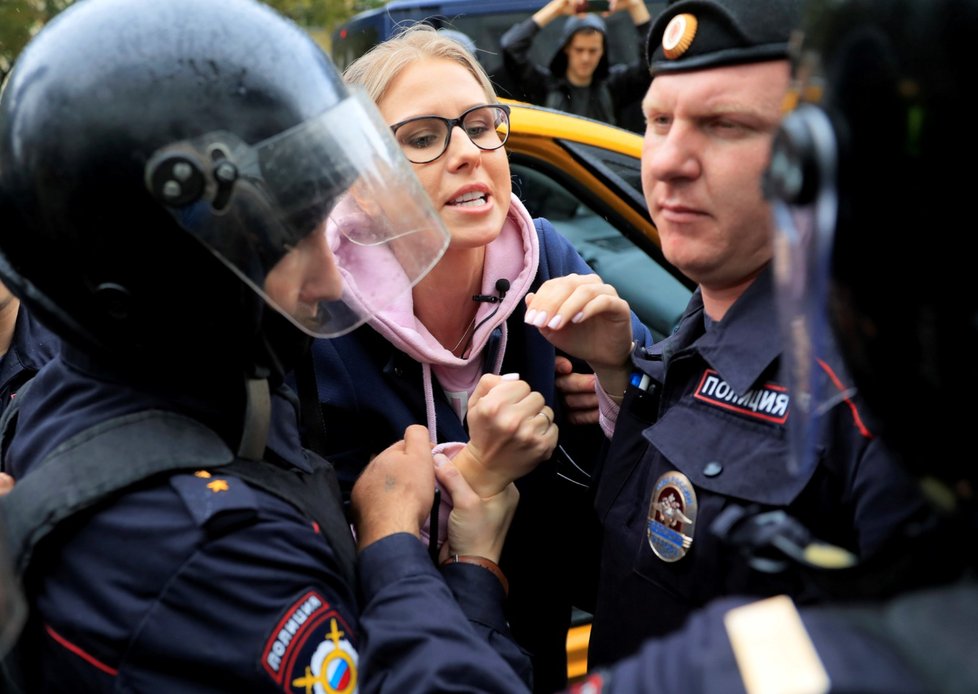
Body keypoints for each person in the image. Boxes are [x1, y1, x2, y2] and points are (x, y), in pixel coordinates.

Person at [0, 0, 534, 690]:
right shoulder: (202, 547)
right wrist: (413, 552)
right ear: (174, 279)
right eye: (290, 241)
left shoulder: (196, 389)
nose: (332, 273)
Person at [522, 0, 938, 670]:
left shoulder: (880, 398)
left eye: (723, 125)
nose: (668, 162)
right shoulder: (687, 331)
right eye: (659, 121)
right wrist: (616, 374)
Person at [302, 24, 653, 692]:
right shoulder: (317, 308)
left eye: (480, 124)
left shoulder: (547, 259)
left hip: (537, 648)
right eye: (425, 137)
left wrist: (617, 375)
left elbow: (659, 493)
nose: (467, 151)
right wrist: (476, 473)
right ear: (364, 183)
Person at [500, 0, 652, 132]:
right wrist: (556, 8)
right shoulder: (545, 86)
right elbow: (511, 47)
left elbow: (649, 65)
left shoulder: (614, 85)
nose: (585, 58)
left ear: (602, 51)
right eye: (579, 50)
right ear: (567, 49)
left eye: (593, 51)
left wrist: (636, 5)